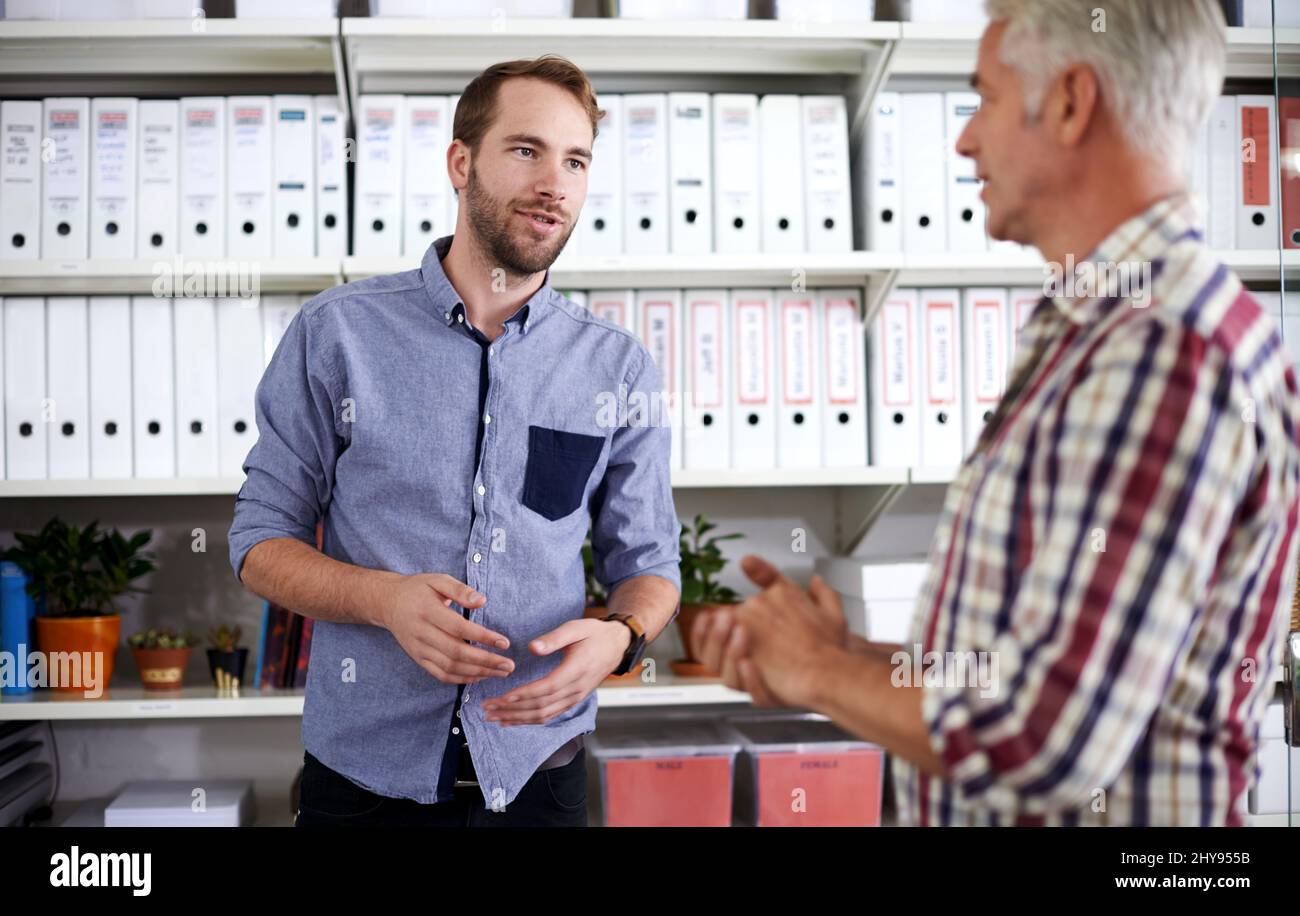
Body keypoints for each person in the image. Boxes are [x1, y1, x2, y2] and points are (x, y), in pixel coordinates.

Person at [698, 0, 1300, 826]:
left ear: (1069, 102)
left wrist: (818, 674)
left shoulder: (1160, 349)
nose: (963, 140)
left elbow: (1045, 739)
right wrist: (851, 657)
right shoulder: (1101, 326)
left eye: (981, 97)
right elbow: (1032, 667)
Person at [229, 55, 681, 827]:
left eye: (575, 161)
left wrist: (620, 638)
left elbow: (649, 566)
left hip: (541, 777)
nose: (554, 182)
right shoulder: (336, 334)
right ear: (460, 162)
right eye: (526, 150)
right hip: (363, 783)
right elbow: (257, 542)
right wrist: (383, 599)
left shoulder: (617, 367)